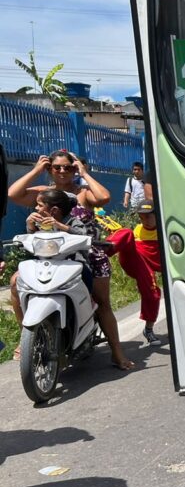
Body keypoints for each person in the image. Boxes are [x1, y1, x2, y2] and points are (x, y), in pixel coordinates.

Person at [7, 150, 135, 369]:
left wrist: (84, 173)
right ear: (49, 169)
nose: (62, 171)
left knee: (102, 302)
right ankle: (29, 338)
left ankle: (117, 352)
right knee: (15, 283)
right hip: (49, 256)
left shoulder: (82, 193)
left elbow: (104, 197)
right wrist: (36, 170)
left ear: (74, 169)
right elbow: (13, 194)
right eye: (56, 167)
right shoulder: (43, 194)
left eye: (68, 167)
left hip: (87, 254)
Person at [9, 189, 94, 333]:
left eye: (40, 205)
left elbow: (84, 235)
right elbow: (32, 242)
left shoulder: (73, 221)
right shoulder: (39, 222)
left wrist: (60, 226)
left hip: (72, 264)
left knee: (85, 279)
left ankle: (85, 314)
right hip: (44, 265)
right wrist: (30, 226)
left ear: (54, 210)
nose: (36, 208)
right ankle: (24, 330)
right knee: (14, 281)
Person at [107, 200, 162, 345]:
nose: (145, 221)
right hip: (135, 261)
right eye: (141, 217)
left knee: (153, 294)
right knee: (125, 232)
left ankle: (148, 330)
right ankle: (102, 250)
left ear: (157, 215)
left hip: (150, 266)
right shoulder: (137, 230)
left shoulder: (165, 229)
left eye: (148, 216)